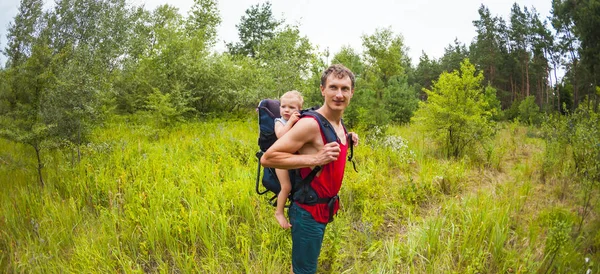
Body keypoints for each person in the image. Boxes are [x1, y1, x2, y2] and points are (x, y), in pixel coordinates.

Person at [261, 64, 359, 274]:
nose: (339, 94)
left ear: (352, 92)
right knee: (305, 271)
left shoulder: (338, 124)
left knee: (303, 265)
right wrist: (314, 158)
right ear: (322, 90)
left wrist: (348, 140)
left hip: (324, 208)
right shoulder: (310, 124)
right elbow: (268, 158)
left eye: (344, 88)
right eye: (333, 87)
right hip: (308, 211)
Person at [274, 90, 303, 229]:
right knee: (286, 186)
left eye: (292, 108)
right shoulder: (279, 121)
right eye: (283, 106)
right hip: (280, 158)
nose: (286, 110)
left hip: (294, 158)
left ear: (299, 110)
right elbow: (280, 136)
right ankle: (279, 212)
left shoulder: (301, 121)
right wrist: (290, 121)